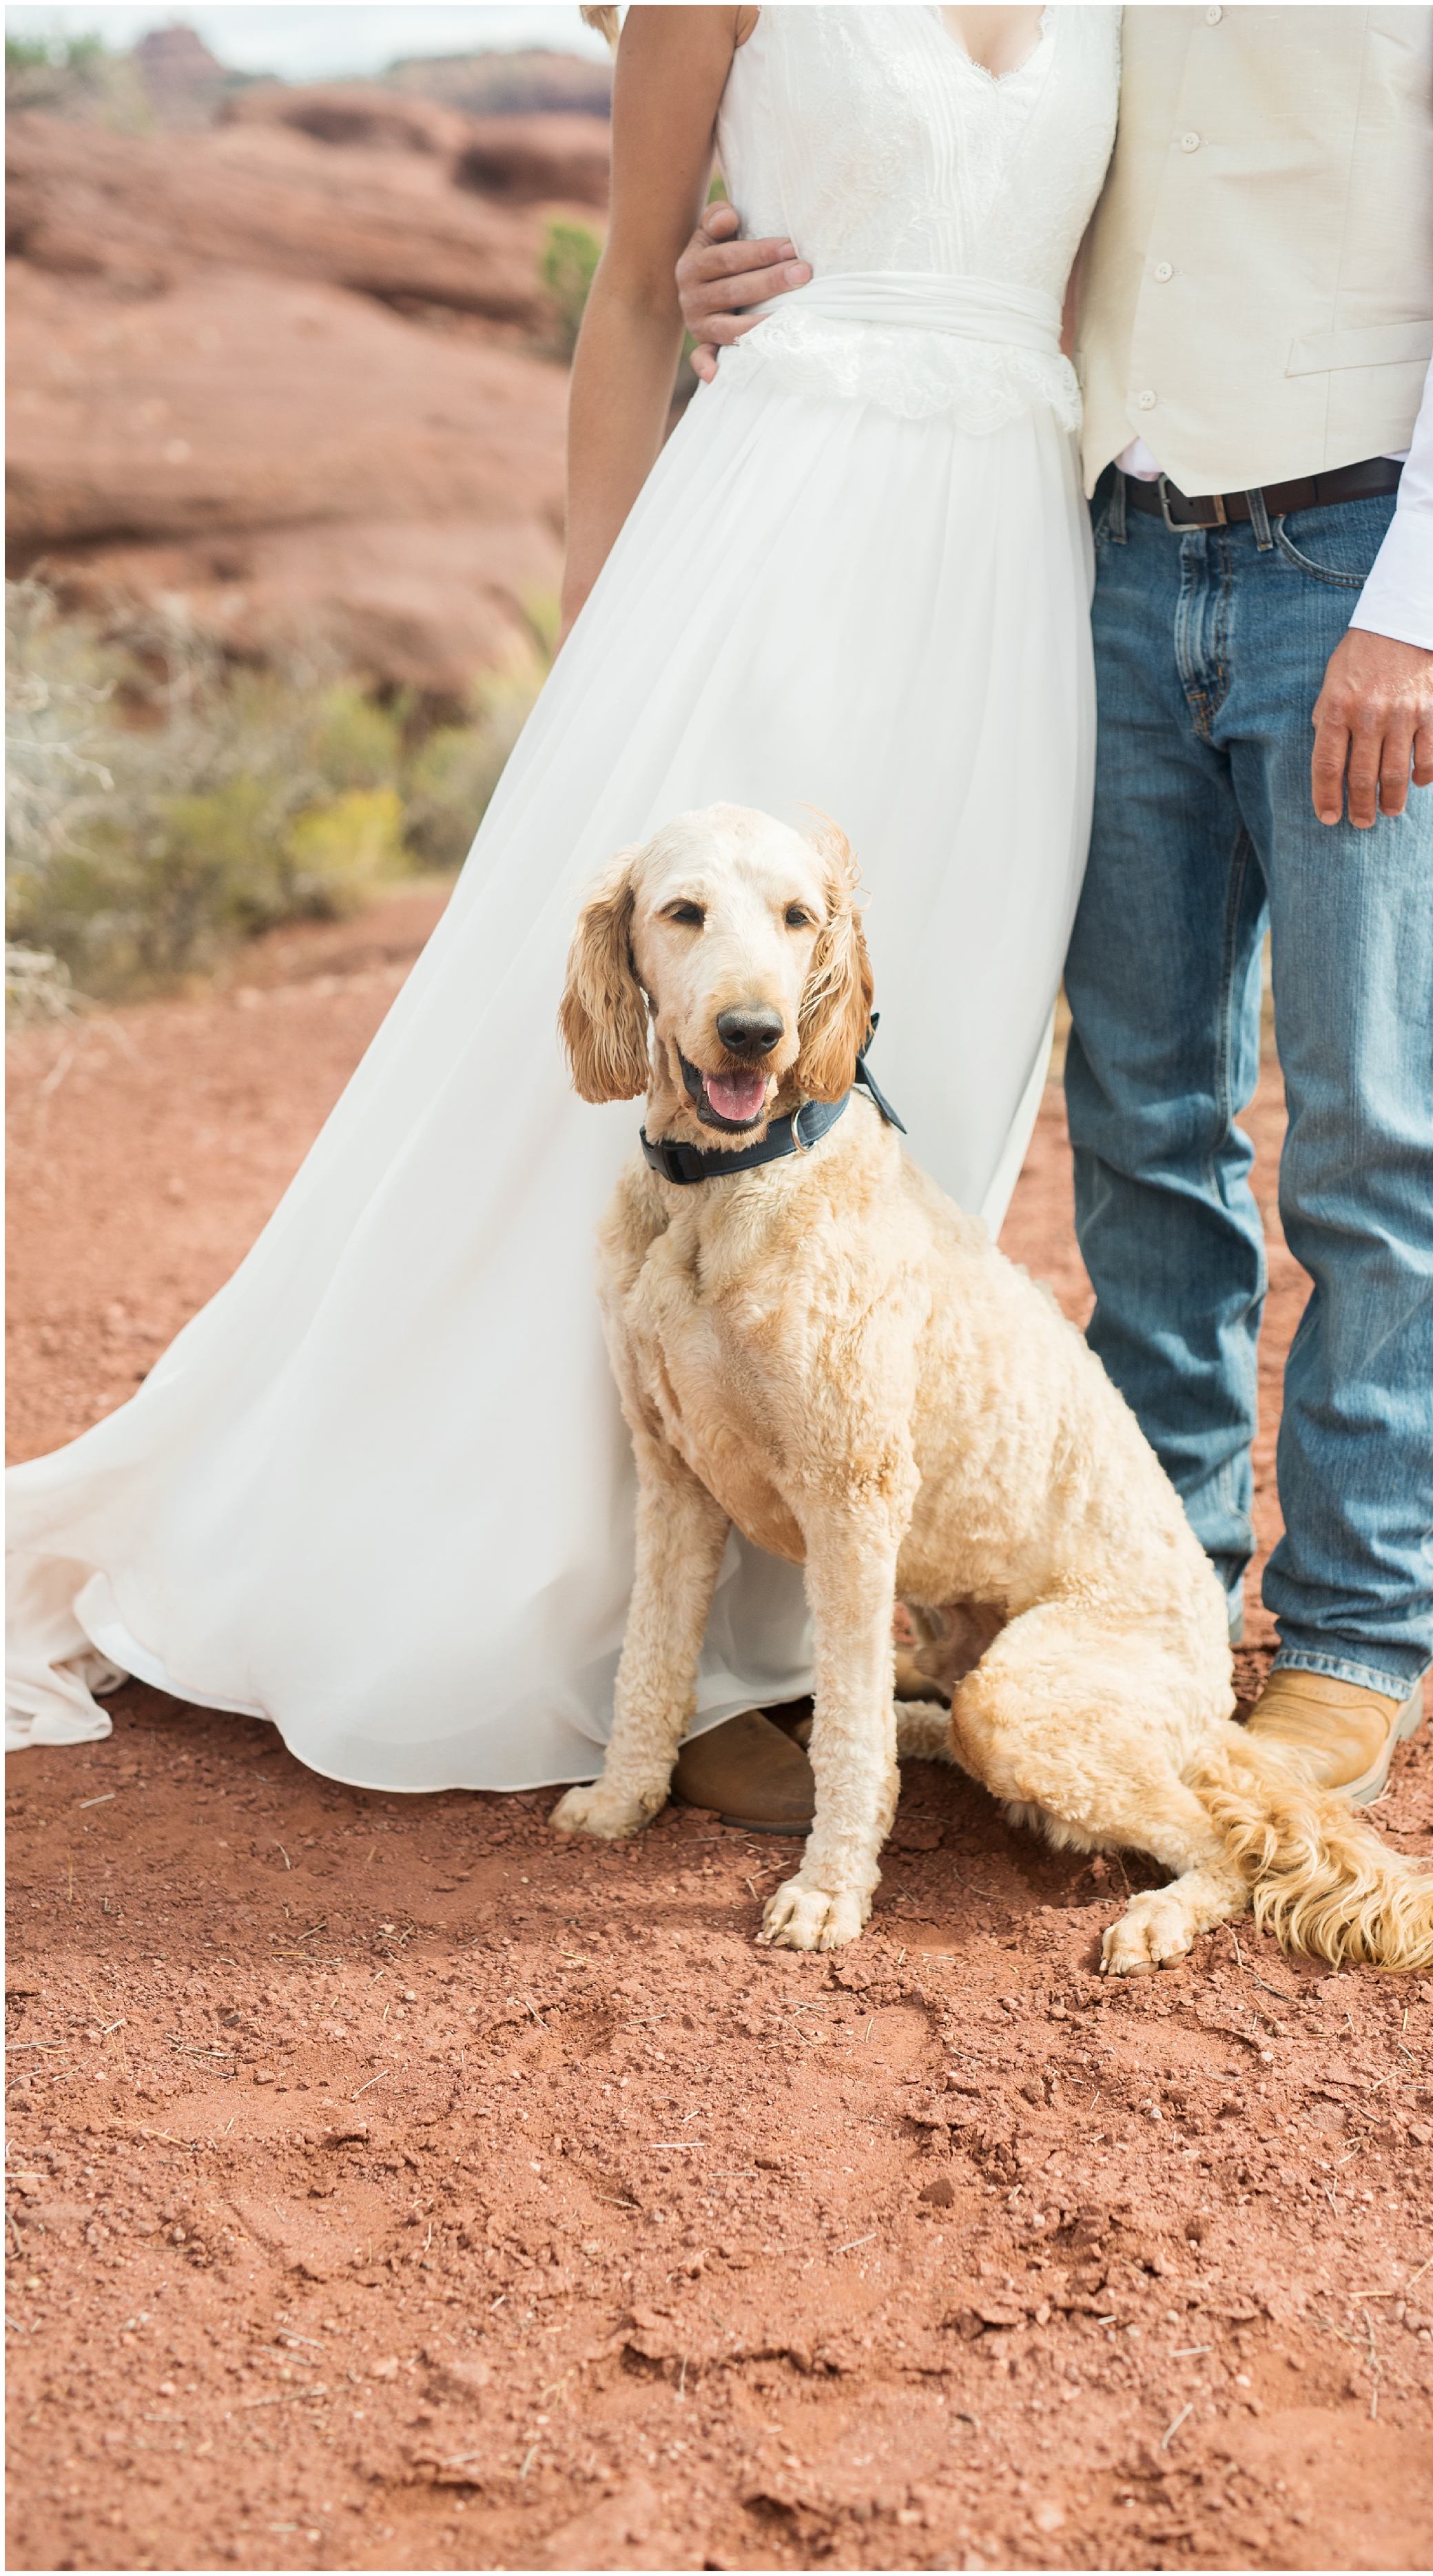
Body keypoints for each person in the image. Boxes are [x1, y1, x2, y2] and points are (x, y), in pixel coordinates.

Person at [6, 6, 1122, 1834]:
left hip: (1008, 579)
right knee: (632, 1102)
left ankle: (779, 1616)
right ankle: (612, 1634)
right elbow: (624, 303)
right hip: (770, 548)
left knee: (918, 1082)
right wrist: (606, 645)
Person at [681, 4, 1433, 1808]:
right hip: (1114, 560)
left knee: (1363, 1125)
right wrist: (739, 260)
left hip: (1351, 566)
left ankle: (1352, 1637)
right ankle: (1161, 1588)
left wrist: (1416, 607)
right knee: (1139, 1120)